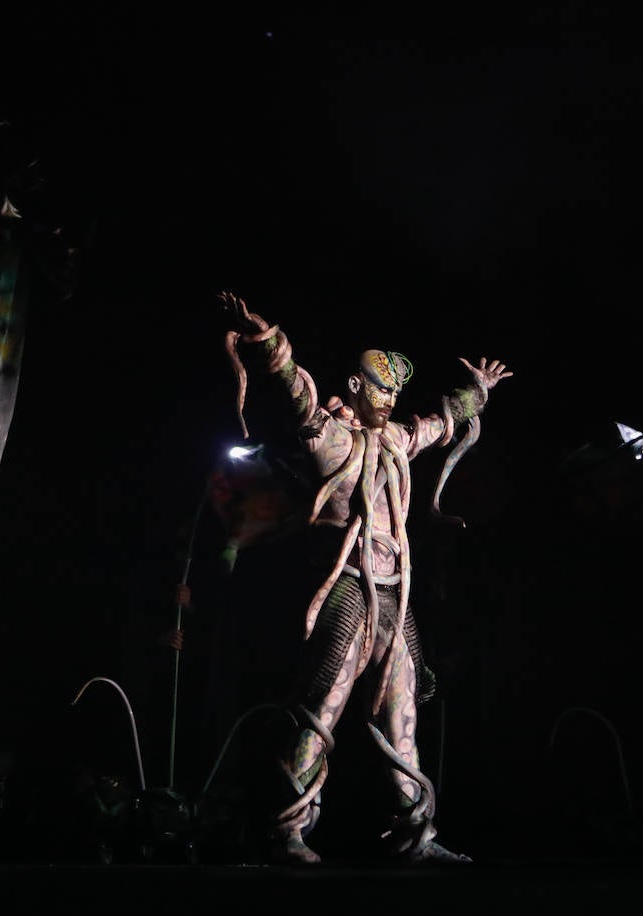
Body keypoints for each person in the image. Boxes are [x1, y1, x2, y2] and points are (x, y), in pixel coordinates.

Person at [218, 290, 513, 865]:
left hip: (394, 596)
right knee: (321, 711)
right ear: (356, 385)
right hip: (350, 590)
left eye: (396, 391)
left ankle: (415, 834)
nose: (391, 399)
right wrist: (266, 339)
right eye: (382, 388)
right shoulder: (331, 440)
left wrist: (476, 394)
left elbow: (437, 424)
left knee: (403, 719)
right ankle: (288, 828)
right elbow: (296, 392)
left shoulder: (396, 439)